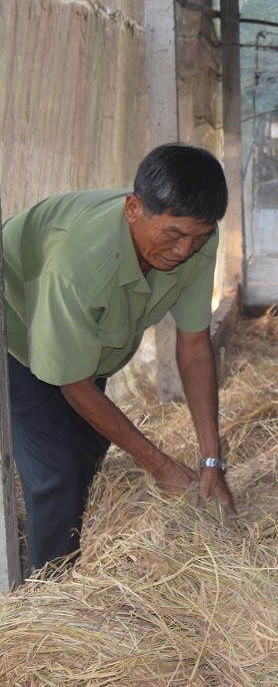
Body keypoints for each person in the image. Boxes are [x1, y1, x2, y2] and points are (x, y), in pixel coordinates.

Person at [3, 143, 237, 574]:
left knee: (90, 444)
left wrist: (210, 461)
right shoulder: (78, 269)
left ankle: (67, 536)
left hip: (85, 335)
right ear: (133, 209)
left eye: (198, 237)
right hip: (15, 318)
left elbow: (194, 347)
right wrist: (160, 466)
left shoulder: (194, 234)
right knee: (55, 469)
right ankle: (51, 593)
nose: (185, 251)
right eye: (173, 235)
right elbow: (73, 385)